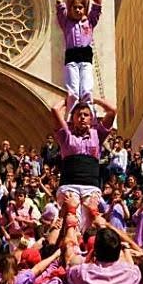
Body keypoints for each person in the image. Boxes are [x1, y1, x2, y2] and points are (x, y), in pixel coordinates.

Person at [52, 97, 116, 242]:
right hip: (70, 185)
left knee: (93, 224)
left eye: (86, 115)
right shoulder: (66, 135)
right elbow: (55, 110)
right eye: (78, 115)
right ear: (72, 118)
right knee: (71, 222)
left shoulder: (97, 134)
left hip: (90, 185)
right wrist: (69, 99)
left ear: (91, 118)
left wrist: (93, 99)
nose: (82, 117)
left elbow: (112, 111)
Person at [55, 0, 102, 112]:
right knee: (73, 92)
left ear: (84, 9)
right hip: (71, 57)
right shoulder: (66, 23)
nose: (77, 10)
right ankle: (72, 116)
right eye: (74, 7)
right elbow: (59, 3)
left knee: (86, 89)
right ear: (70, 9)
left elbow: (98, 1)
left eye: (80, 8)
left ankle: (90, 114)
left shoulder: (89, 22)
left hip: (85, 58)